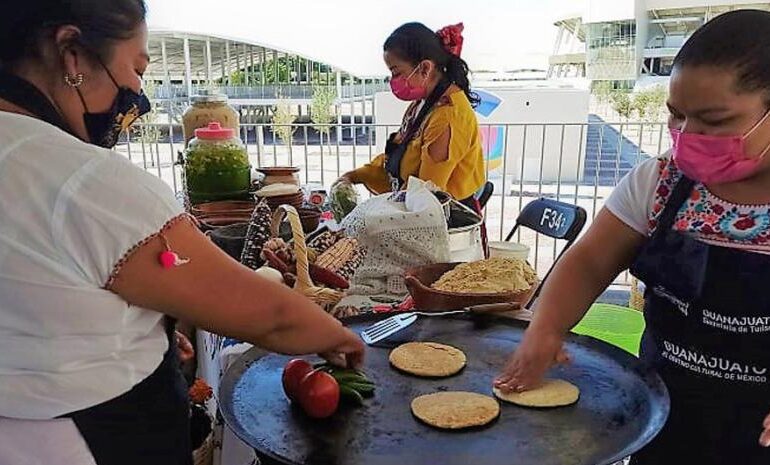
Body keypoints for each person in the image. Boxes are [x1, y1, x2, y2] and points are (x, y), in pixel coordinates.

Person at [0, 2, 364, 464]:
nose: (136, 88)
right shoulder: (84, 182)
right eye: (136, 67)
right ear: (72, 53)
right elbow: (270, 314)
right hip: (92, 443)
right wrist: (342, 339)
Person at [495, 9, 770, 465]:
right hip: (665, 412)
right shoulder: (659, 181)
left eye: (714, 120)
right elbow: (588, 262)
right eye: (676, 115)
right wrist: (546, 327)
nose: (687, 135)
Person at [338, 22, 486, 213]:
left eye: (396, 72)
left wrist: (375, 213)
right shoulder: (420, 105)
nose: (393, 81)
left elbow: (424, 191)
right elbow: (397, 158)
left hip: (443, 223)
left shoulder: (448, 116)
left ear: (425, 68)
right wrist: (353, 176)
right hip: (418, 212)